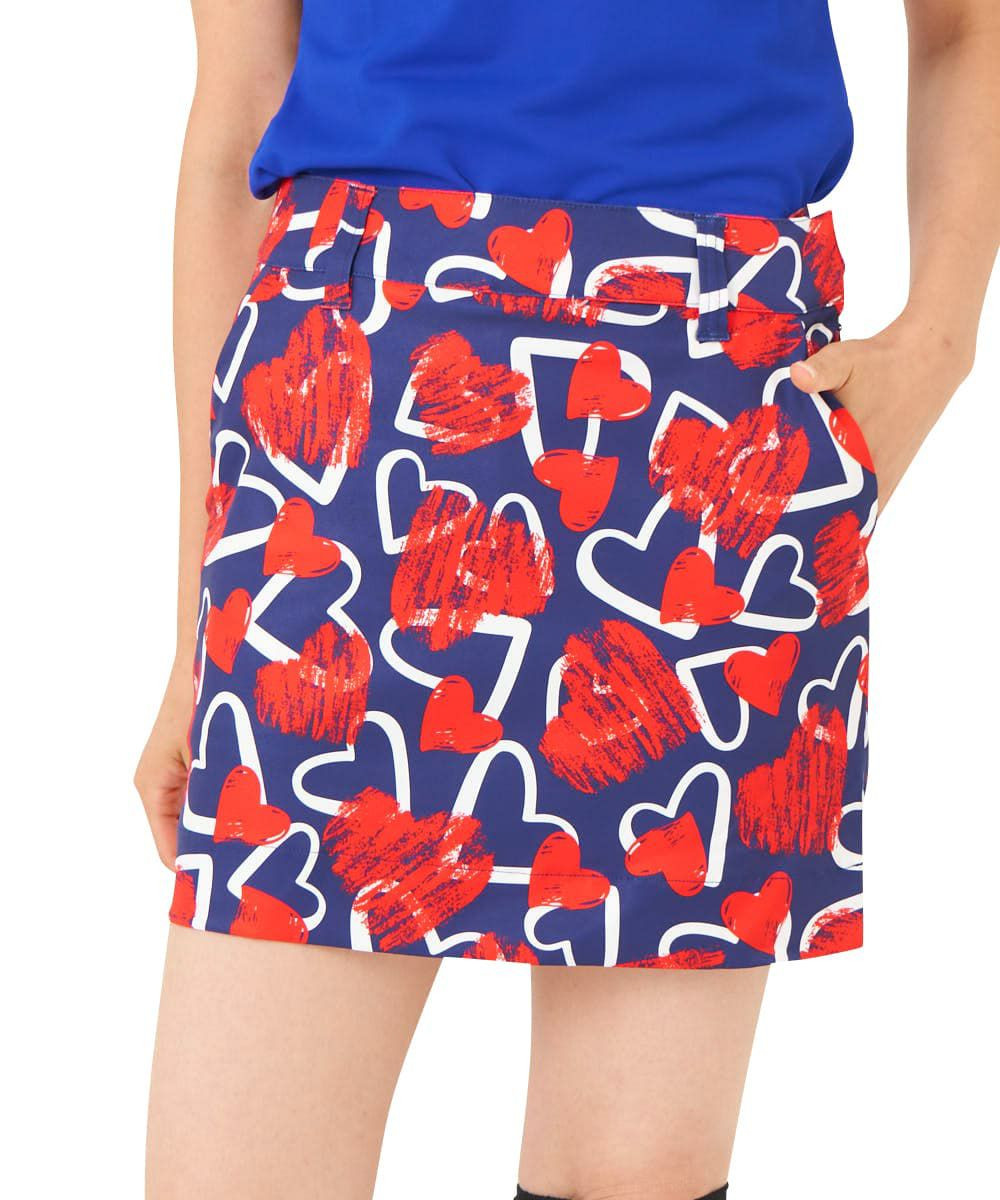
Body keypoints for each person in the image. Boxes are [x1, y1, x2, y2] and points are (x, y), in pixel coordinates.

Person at [135, 3, 999, 1198]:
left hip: (710, 399)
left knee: (633, 1174)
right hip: (350, 402)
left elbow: (963, 28)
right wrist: (199, 624)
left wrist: (939, 344)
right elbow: (239, 114)